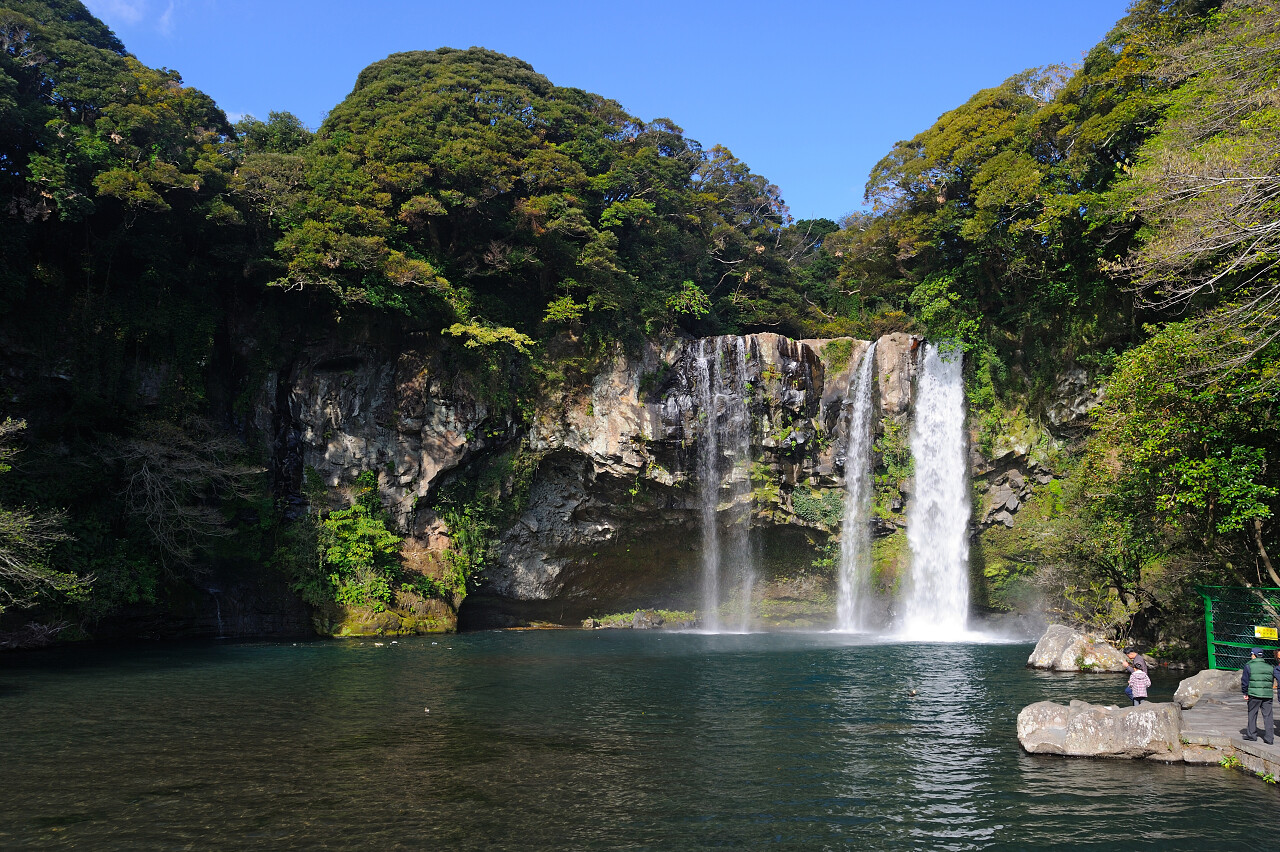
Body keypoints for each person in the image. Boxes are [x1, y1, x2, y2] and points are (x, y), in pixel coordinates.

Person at [1240, 647, 1276, 745]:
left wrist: (1245, 693)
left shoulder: (1249, 666)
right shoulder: (1270, 667)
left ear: (1254, 655)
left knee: (1252, 713)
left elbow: (1245, 681)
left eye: (1252, 655)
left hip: (1254, 694)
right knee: (1268, 716)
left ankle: (1252, 735)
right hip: (1267, 695)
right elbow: (1271, 681)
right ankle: (1269, 738)